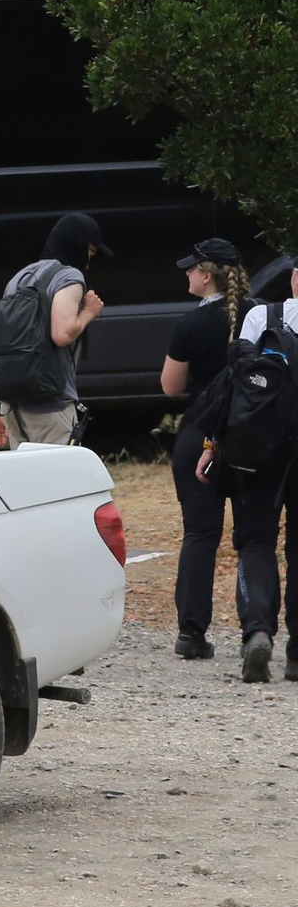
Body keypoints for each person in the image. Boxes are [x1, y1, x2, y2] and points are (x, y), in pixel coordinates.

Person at [197, 256, 298, 683]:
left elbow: (235, 386)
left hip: (260, 453)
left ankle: (257, 631)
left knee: (256, 541)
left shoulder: (262, 317)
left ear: (294, 280)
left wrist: (212, 443)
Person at [159, 239, 251, 661]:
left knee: (200, 534)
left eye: (192, 269)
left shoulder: (189, 324)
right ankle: (257, 628)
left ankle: (191, 631)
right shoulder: (260, 315)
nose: (187, 274)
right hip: (252, 433)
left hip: (200, 429)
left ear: (207, 275)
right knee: (255, 538)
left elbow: (171, 386)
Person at [0, 212, 110, 451]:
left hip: (14, 407)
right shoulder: (69, 277)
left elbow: (6, 346)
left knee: (24, 474)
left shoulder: (18, 279)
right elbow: (62, 334)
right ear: (77, 246)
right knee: (59, 474)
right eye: (90, 252)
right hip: (52, 406)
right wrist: (89, 311)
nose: (87, 263)